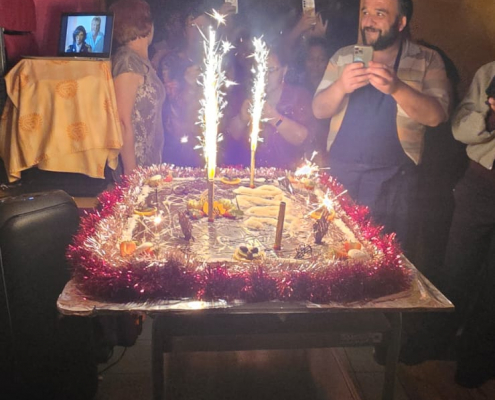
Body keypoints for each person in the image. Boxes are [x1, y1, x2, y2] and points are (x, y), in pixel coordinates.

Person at [312, 0, 450, 251]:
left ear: (401, 22)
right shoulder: (344, 57)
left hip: (394, 181)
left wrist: (397, 88)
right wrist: (341, 86)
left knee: (384, 257)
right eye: (365, 12)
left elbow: (436, 116)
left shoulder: (426, 59)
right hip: (341, 174)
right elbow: (319, 110)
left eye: (379, 13)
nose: (369, 20)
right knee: (333, 251)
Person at [437, 61, 495, 387]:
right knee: (455, 271)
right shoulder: (490, 73)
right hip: (480, 185)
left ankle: (477, 359)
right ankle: (435, 344)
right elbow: (459, 130)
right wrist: (490, 116)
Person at [224, 50, 315, 169]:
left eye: (271, 70)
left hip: (288, 173)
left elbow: (302, 137)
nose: (265, 76)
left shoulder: (298, 96)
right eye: (261, 70)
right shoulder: (248, 95)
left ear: (284, 70)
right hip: (251, 172)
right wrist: (242, 119)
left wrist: (274, 118)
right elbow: (230, 136)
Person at [110, 0, 166, 175]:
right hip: (135, 166)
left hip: (150, 162)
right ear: (145, 24)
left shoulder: (139, 60)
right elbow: (122, 122)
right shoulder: (128, 62)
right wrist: (130, 172)